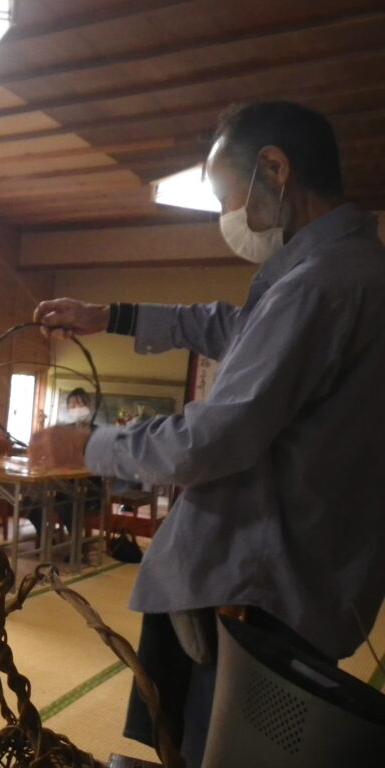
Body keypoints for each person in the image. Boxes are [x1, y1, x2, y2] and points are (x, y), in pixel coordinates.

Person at [29, 101, 385, 767]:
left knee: (216, 751)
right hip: (300, 578)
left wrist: (85, 445)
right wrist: (112, 316)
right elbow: (230, 326)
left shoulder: (321, 286)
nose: (230, 216)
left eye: (227, 195)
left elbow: (211, 441)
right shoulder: (343, 269)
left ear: (274, 169)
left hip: (259, 588)